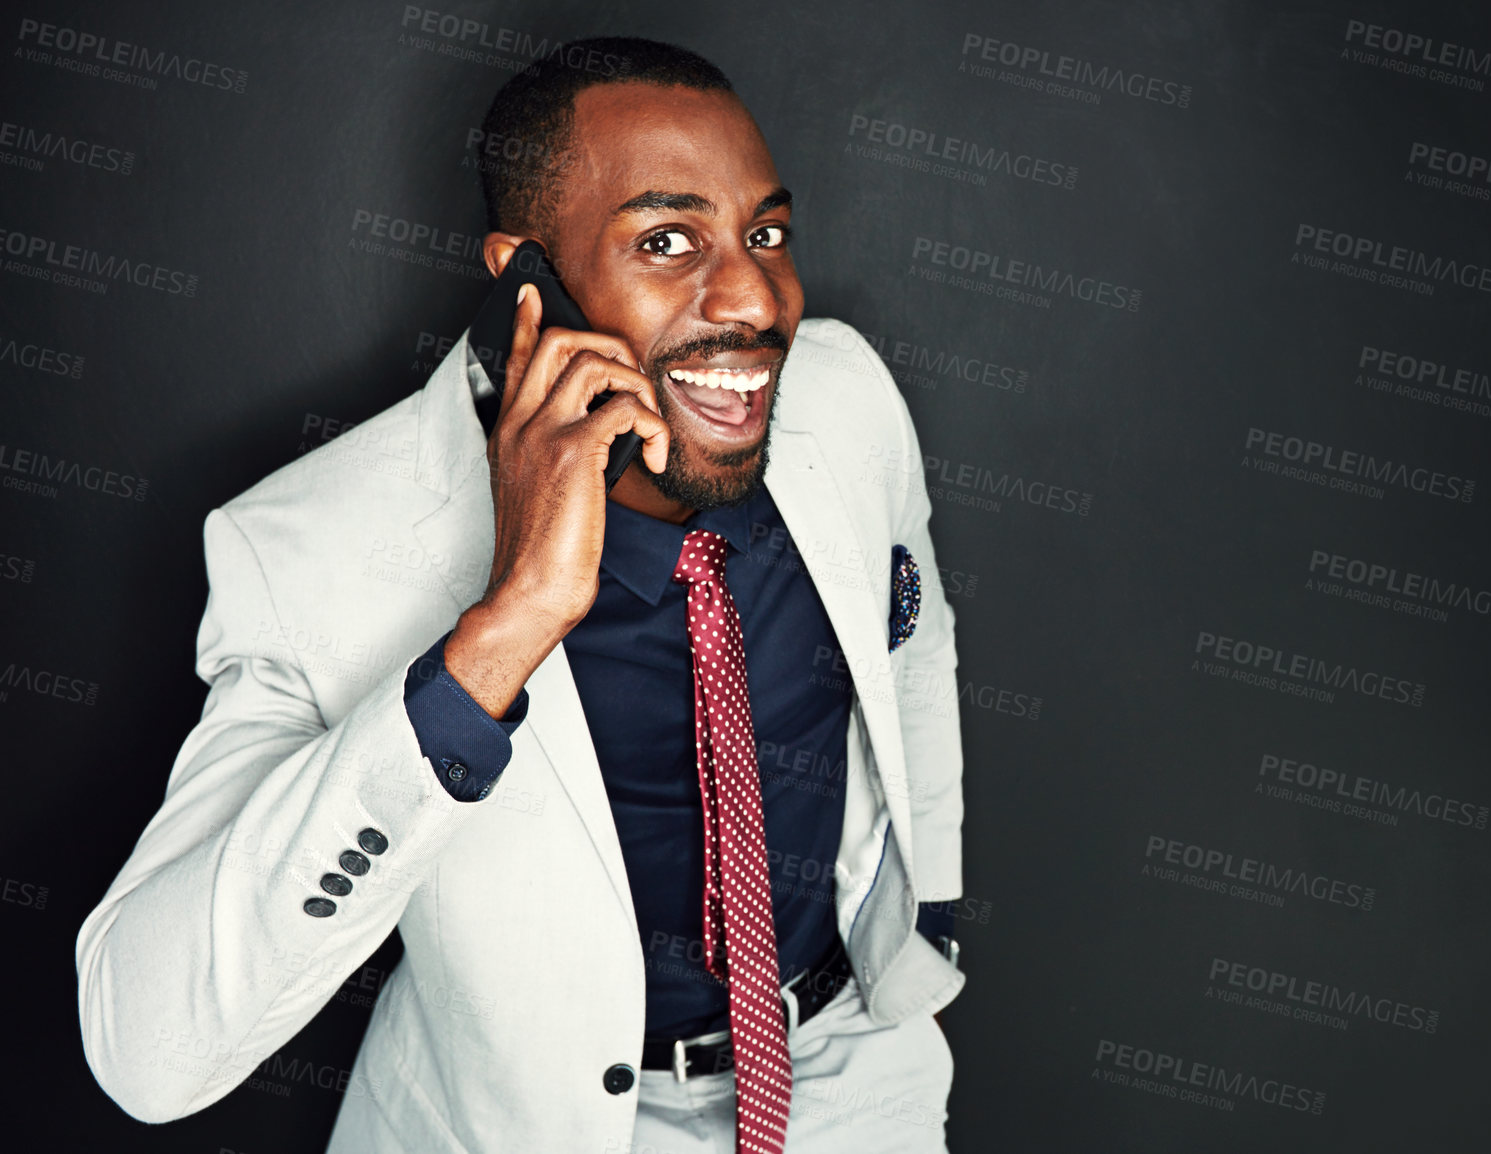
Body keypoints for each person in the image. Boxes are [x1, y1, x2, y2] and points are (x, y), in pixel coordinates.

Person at [74, 37, 966, 1154]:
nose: (753, 295)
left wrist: (925, 906)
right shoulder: (314, 546)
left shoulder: (845, 394)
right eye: (666, 240)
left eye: (766, 234)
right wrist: (501, 634)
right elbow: (145, 1050)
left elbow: (914, 638)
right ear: (524, 276)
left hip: (846, 1072)